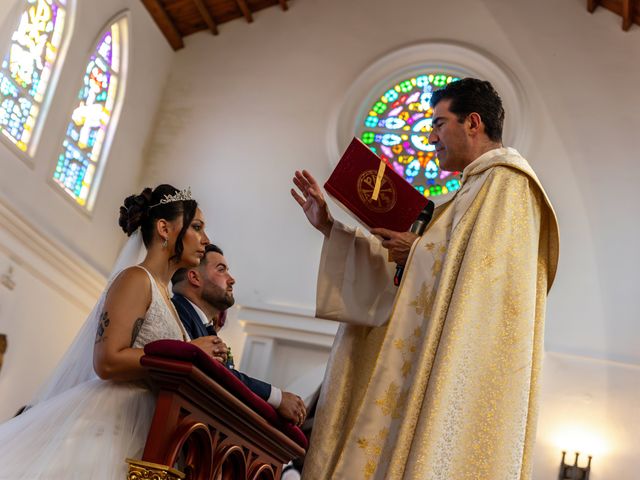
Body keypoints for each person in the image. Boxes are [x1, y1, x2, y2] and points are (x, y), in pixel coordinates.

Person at [291, 78, 560, 479]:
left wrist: (416, 251)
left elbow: (487, 286)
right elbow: (408, 276)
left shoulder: (510, 184)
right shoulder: (465, 194)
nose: (431, 136)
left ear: (472, 122)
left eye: (437, 124)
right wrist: (331, 228)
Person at [0, 184, 225, 479]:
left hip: (147, 426)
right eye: (196, 227)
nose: (206, 240)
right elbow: (107, 360)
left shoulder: (165, 297)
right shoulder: (135, 279)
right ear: (164, 229)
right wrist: (189, 353)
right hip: (114, 421)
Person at [171, 243, 308, 426]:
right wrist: (276, 397)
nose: (232, 279)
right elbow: (217, 375)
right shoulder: (177, 312)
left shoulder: (200, 323)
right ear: (195, 277)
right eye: (221, 270)